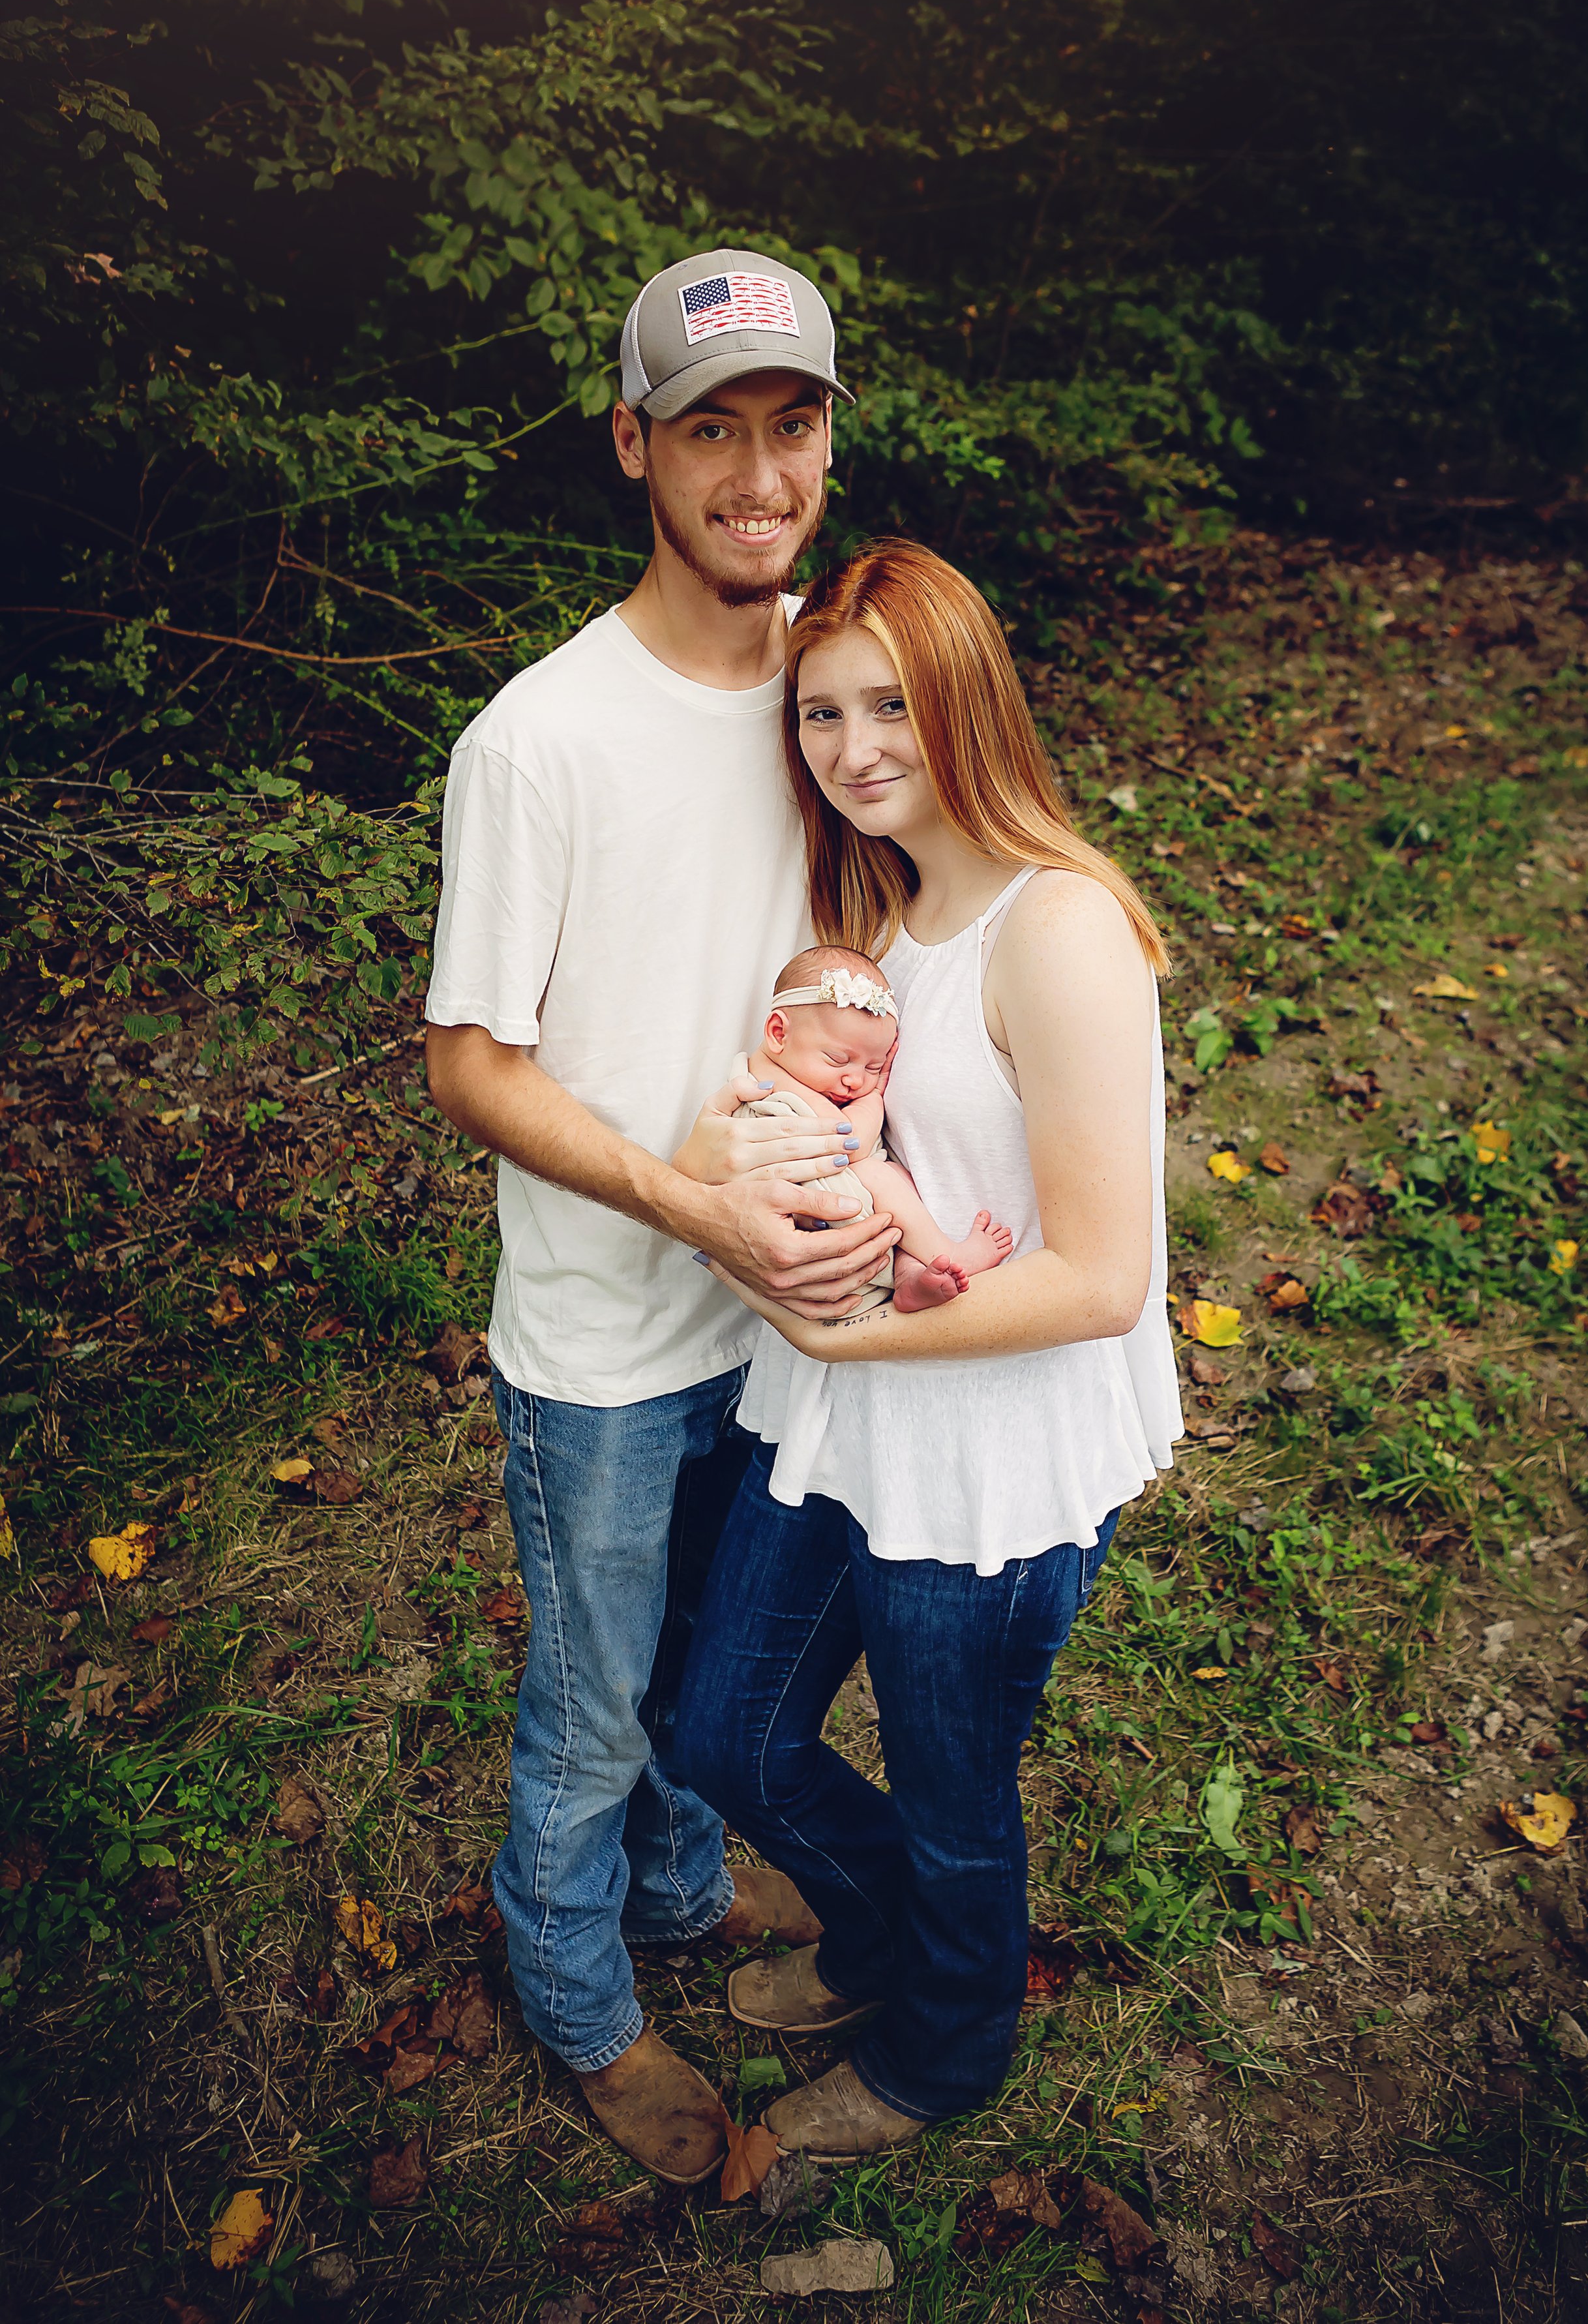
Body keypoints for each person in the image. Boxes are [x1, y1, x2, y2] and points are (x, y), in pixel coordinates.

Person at [422, 249, 903, 2187]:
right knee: (595, 1689)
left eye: (789, 424)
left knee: (722, 1665)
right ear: (634, 445)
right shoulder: (539, 738)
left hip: (774, 1311)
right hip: (612, 1338)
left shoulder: (832, 691)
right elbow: (470, 1059)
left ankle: (685, 1884)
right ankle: (571, 1978)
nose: (757, 470)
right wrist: (686, 1201)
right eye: (710, 427)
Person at [673, 538, 1184, 2158]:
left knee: (960, 1798)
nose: (855, 744)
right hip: (845, 1413)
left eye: (889, 701)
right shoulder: (873, 923)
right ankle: (894, 1931)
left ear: (966, 695)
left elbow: (1103, 1277)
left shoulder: (1062, 929)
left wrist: (844, 1329)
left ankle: (945, 2044)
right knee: (724, 1733)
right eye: (822, 713)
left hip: (989, 1451)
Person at [730, 944, 1015, 1312]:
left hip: (818, 1219)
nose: (854, 1079)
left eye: (874, 1066)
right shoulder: (772, 1081)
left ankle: (909, 1273)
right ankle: (947, 1251)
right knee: (879, 1175)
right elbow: (850, 1143)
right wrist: (874, 1098)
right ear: (778, 1033)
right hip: (810, 1208)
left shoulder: (783, 1067)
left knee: (899, 1179)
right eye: (838, 1059)